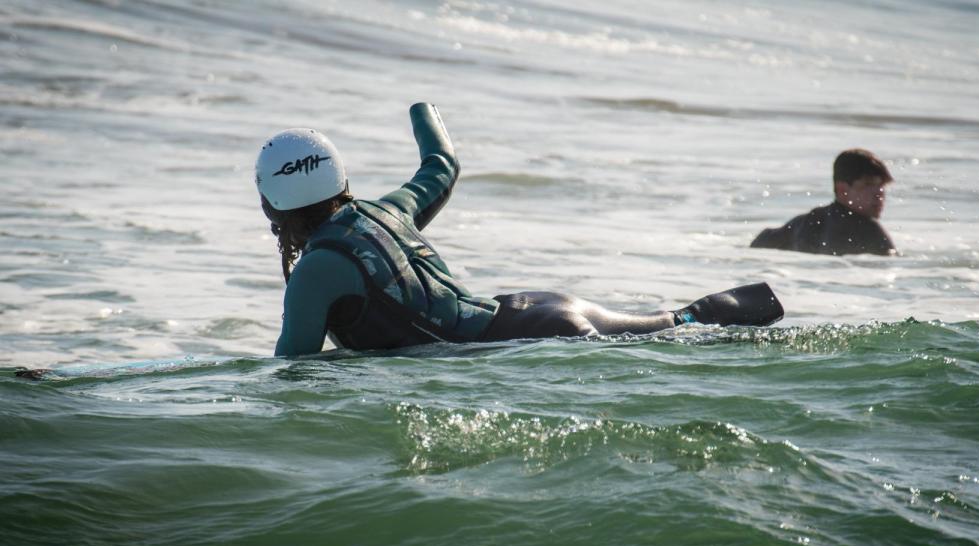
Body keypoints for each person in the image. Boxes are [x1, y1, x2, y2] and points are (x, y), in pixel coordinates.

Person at [256, 103, 784, 357]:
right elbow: (442, 163)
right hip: (536, 309)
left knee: (684, 336)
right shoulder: (388, 210)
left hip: (534, 342)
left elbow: (294, 379)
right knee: (680, 324)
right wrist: (422, 110)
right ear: (341, 177)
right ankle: (758, 308)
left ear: (272, 206)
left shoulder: (315, 273)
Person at [750, 149, 896, 256]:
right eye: (868, 185)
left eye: (882, 186)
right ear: (842, 190)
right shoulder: (868, 230)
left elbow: (763, 240)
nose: (879, 193)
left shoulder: (807, 221)